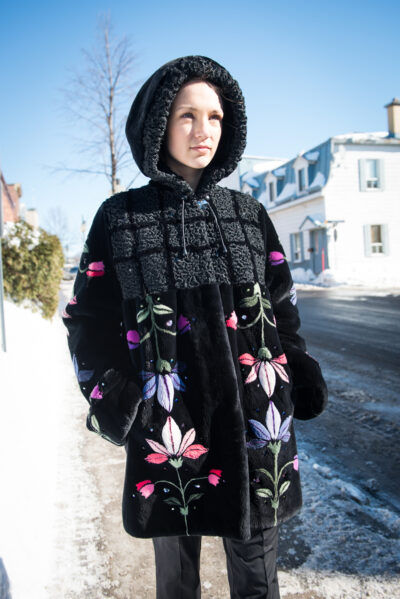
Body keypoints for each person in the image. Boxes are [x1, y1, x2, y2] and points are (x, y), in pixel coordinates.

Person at [63, 55, 328, 599]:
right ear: (160, 122)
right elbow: (86, 319)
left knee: (259, 578)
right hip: (171, 430)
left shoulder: (248, 215)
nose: (203, 130)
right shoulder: (121, 218)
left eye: (215, 116)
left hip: (259, 425)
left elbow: (282, 306)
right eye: (188, 115)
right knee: (178, 584)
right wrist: (115, 391)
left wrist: (295, 366)